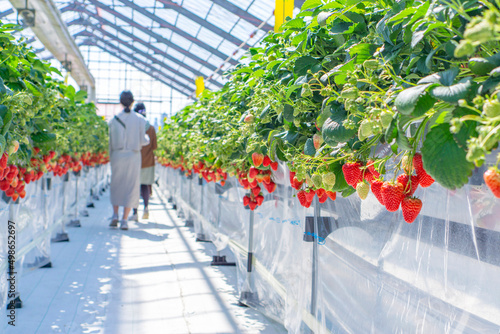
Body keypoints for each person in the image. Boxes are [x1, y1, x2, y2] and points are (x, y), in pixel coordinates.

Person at [109, 91, 150, 230]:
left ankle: (115, 215)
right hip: (133, 155)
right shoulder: (140, 119)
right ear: (132, 102)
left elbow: (109, 141)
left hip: (117, 155)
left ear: (120, 102)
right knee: (130, 186)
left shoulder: (114, 119)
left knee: (116, 184)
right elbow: (143, 140)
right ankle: (125, 220)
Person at [130, 102, 157, 220]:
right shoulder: (151, 128)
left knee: (134, 187)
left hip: (134, 160)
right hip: (148, 162)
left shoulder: (133, 127)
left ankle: (135, 213)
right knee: (145, 186)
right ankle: (146, 208)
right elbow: (154, 146)